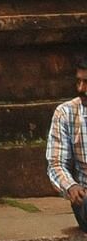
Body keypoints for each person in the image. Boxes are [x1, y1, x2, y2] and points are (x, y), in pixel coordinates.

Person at [47, 59, 87, 230]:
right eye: (79, 81)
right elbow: (56, 164)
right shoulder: (65, 113)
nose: (81, 89)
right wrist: (71, 186)